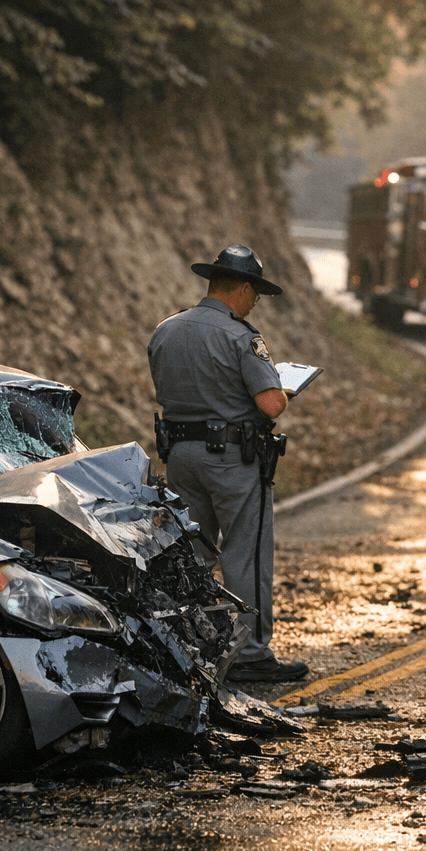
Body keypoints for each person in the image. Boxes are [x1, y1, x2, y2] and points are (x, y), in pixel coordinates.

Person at [147, 245, 308, 683]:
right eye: (255, 294)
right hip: (233, 460)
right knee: (245, 552)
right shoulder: (241, 337)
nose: (255, 303)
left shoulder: (166, 329)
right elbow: (271, 404)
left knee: (191, 555)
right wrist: (285, 388)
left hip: (180, 456)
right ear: (240, 289)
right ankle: (251, 653)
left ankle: (188, 644)